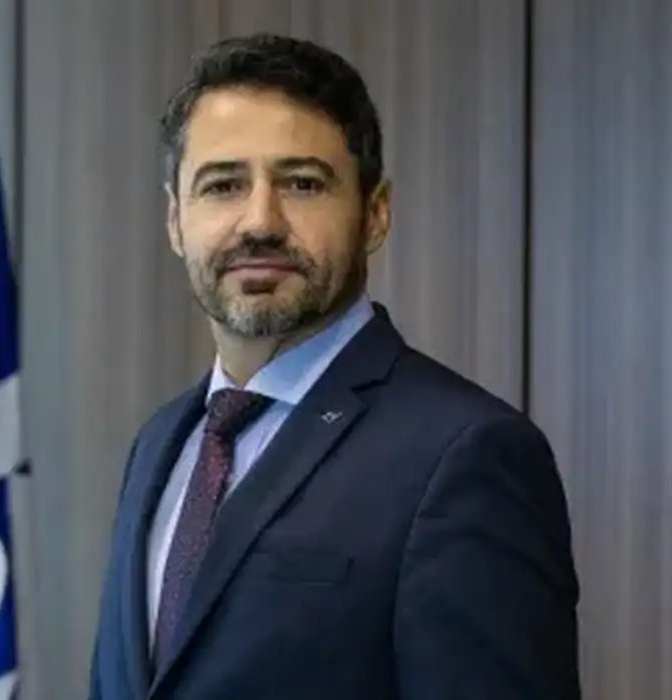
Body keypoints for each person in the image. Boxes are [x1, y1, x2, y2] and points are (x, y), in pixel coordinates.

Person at [87, 33, 580, 699]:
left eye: (303, 183)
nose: (260, 222)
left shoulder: (465, 455)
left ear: (374, 214)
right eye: (223, 185)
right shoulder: (160, 443)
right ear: (177, 220)